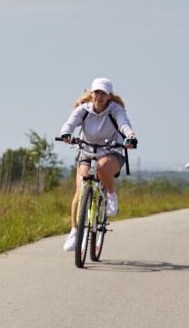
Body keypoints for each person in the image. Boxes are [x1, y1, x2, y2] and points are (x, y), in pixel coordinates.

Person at [59, 77, 137, 252]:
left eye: (103, 93)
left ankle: (111, 196)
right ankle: (74, 232)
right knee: (80, 190)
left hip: (112, 151)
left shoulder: (115, 110)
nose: (99, 96)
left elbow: (124, 124)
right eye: (96, 92)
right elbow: (70, 124)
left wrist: (130, 137)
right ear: (91, 94)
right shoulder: (84, 110)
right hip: (87, 152)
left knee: (101, 168)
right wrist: (66, 134)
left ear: (109, 96)